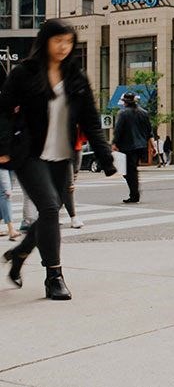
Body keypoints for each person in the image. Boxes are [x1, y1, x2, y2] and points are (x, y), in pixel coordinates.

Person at [0, 19, 116, 299]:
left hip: (62, 154)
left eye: (68, 41)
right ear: (45, 41)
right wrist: (3, 146)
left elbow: (90, 120)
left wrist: (105, 157)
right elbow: (2, 110)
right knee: (50, 207)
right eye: (58, 41)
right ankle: (54, 276)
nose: (64, 47)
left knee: (51, 211)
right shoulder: (25, 72)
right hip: (30, 152)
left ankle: (20, 253)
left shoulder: (76, 76)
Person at [113, 91, 153, 204]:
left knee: (128, 171)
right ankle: (134, 192)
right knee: (131, 170)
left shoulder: (122, 113)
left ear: (125, 102)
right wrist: (152, 144)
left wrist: (114, 143)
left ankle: (134, 194)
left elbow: (118, 130)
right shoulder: (144, 113)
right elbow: (149, 130)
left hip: (128, 146)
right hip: (141, 146)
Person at [0, 170, 21, 240]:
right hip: (2, 165)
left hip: (12, 166)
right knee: (6, 194)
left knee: (6, 192)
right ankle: (11, 230)